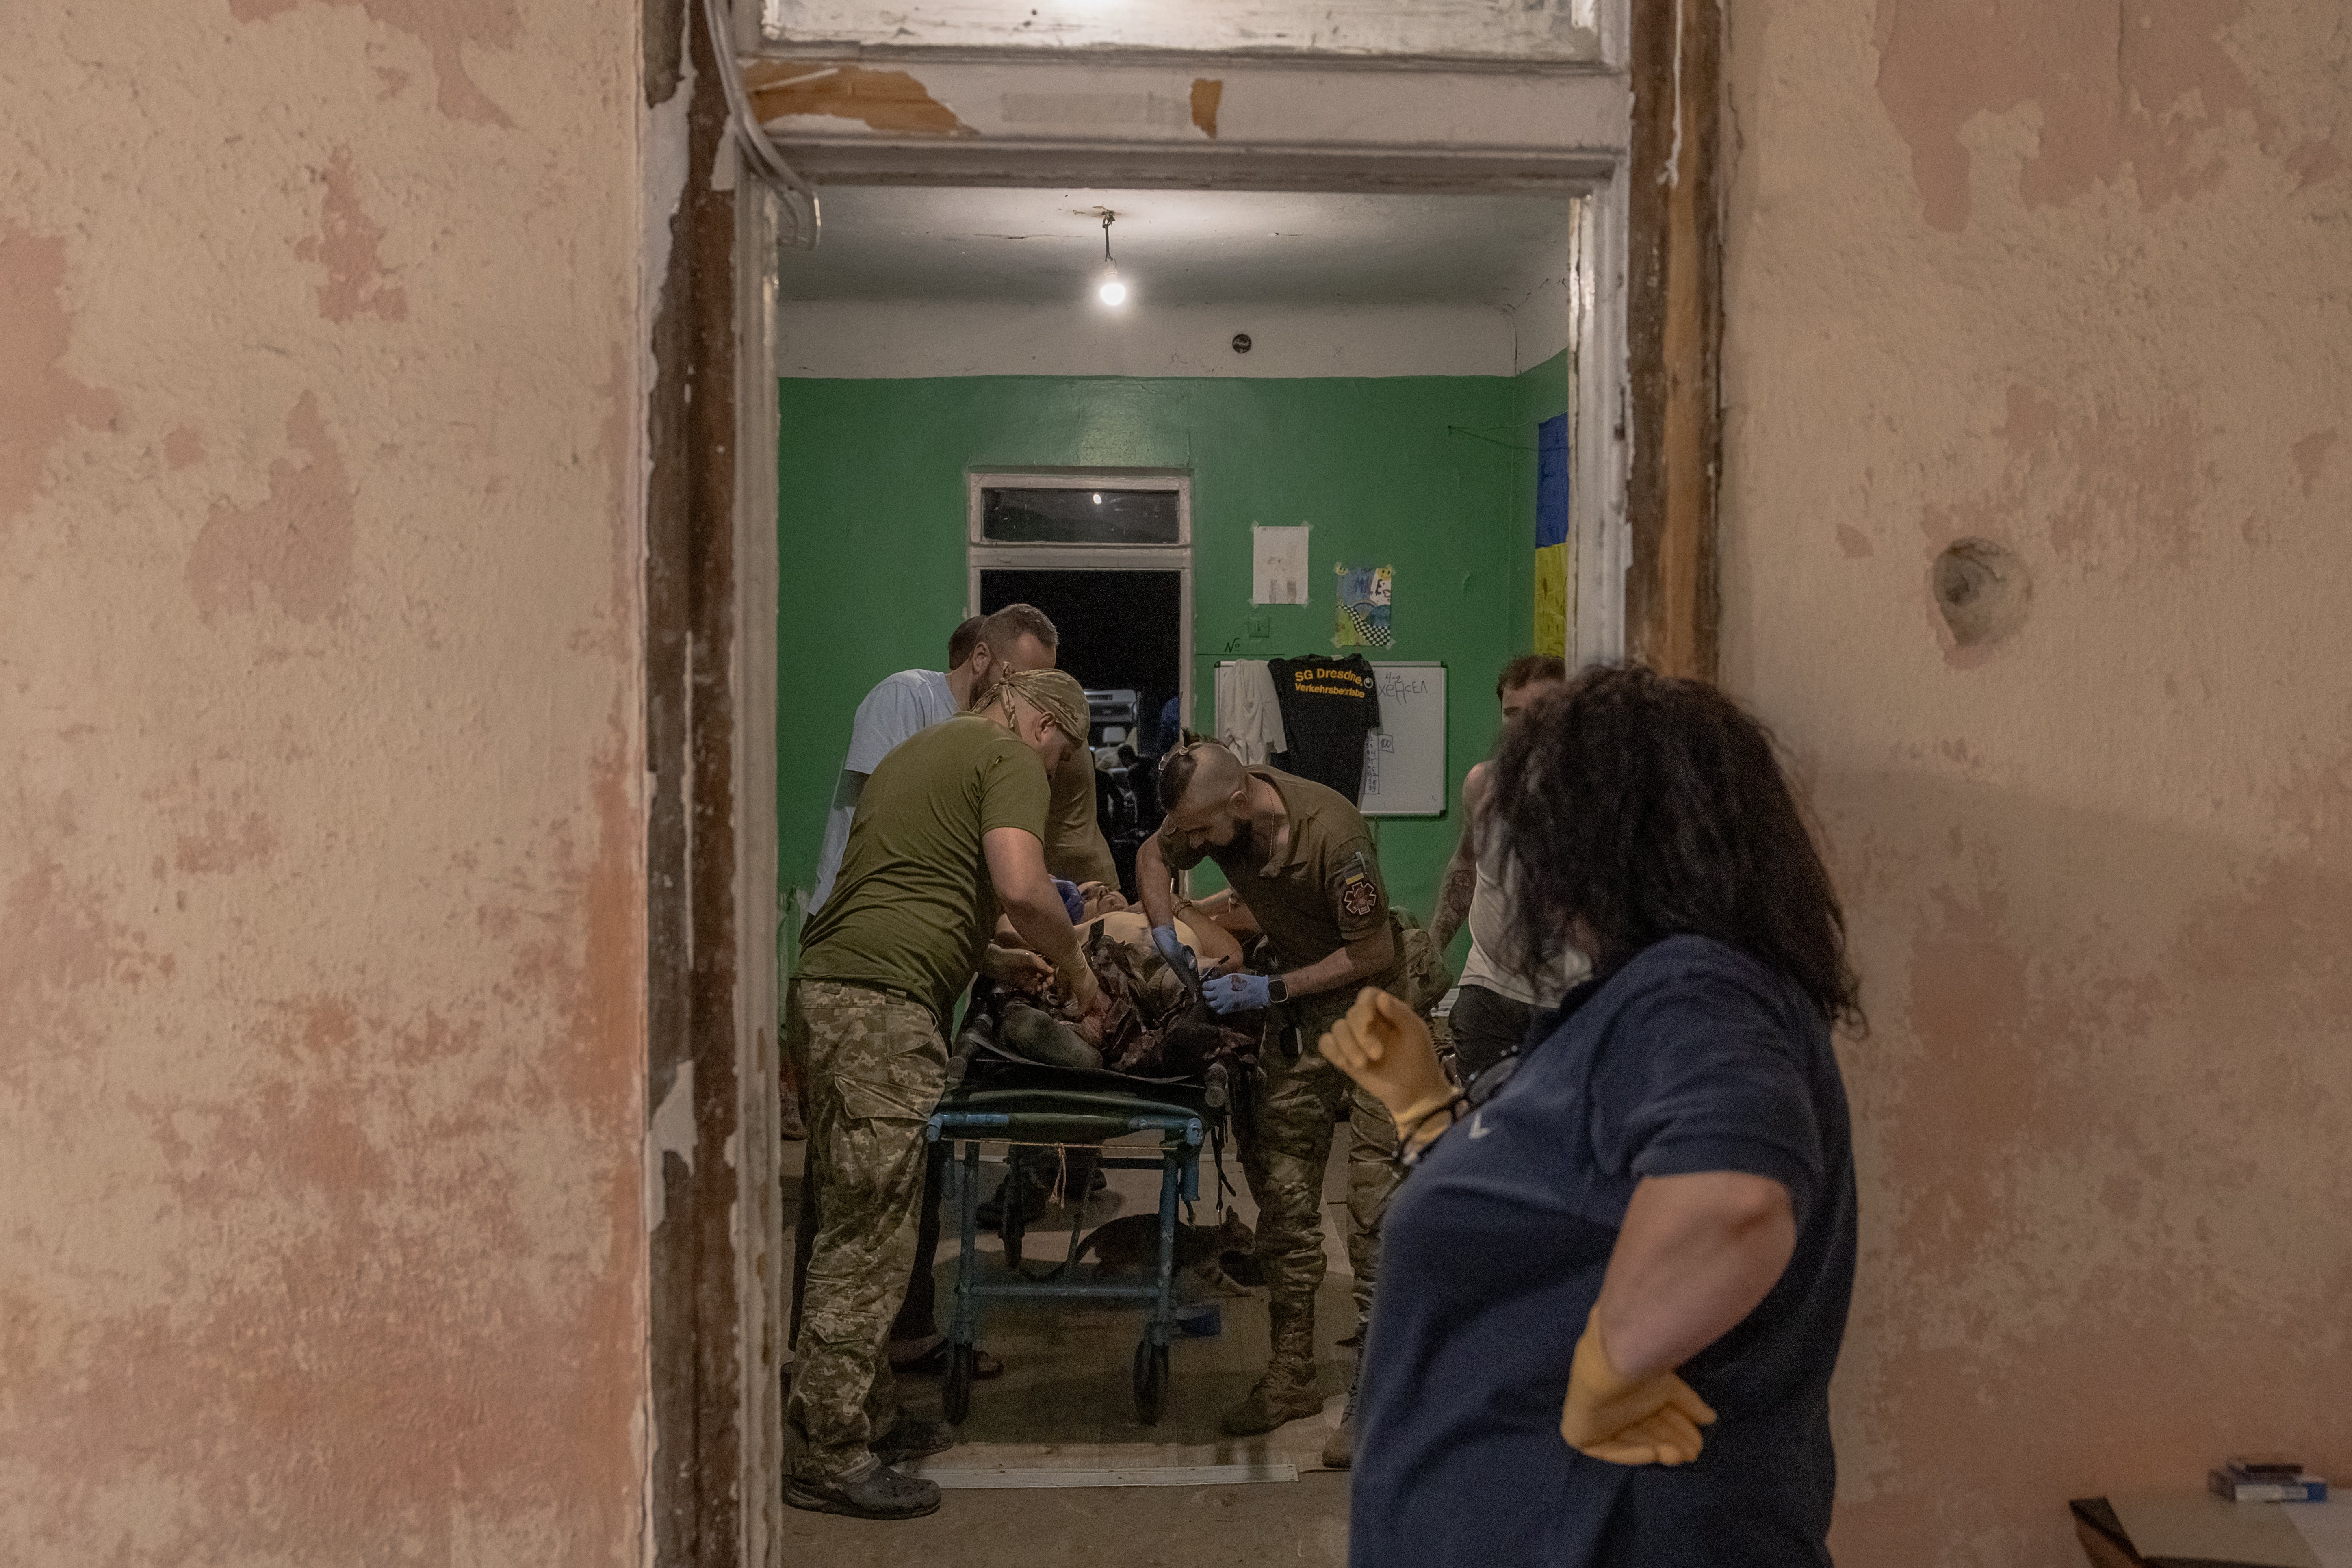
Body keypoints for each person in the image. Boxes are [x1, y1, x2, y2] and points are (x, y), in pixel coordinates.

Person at [1319, 665, 1861, 1568]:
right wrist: (1427, 1116)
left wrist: (1609, 1370)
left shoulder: (1693, 989)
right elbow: (1560, 1223)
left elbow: (1729, 1201)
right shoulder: (1641, 995)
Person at [785, 668, 1106, 1521]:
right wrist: (1077, 974)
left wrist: (992, 958)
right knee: (868, 1241)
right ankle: (827, 1452)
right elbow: (1020, 885)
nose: (1051, 772)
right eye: (1060, 756)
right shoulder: (1006, 754)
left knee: (850, 1217)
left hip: (832, 989)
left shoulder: (916, 753)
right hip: (881, 1014)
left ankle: (865, 1415)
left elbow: (911, 888)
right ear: (1042, 726)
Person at [1133, 741, 1437, 1453]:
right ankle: (1291, 1371)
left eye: (1205, 830)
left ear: (1239, 800)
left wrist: (1267, 988)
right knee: (1285, 1196)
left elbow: (1372, 955)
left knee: (1372, 1204)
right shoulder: (1205, 809)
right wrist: (1161, 930)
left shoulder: (1332, 833)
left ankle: (1376, 1393)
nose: (1198, 845)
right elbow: (1154, 854)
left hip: (1371, 1010)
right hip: (1300, 1017)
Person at [1427, 653, 1589, 1080]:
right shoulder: (1484, 785)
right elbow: (1466, 861)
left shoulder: (1597, 796)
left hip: (1566, 995)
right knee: (1484, 1130)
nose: (1522, 726)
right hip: (1488, 990)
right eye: (1511, 713)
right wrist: (1431, 947)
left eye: (1538, 712)